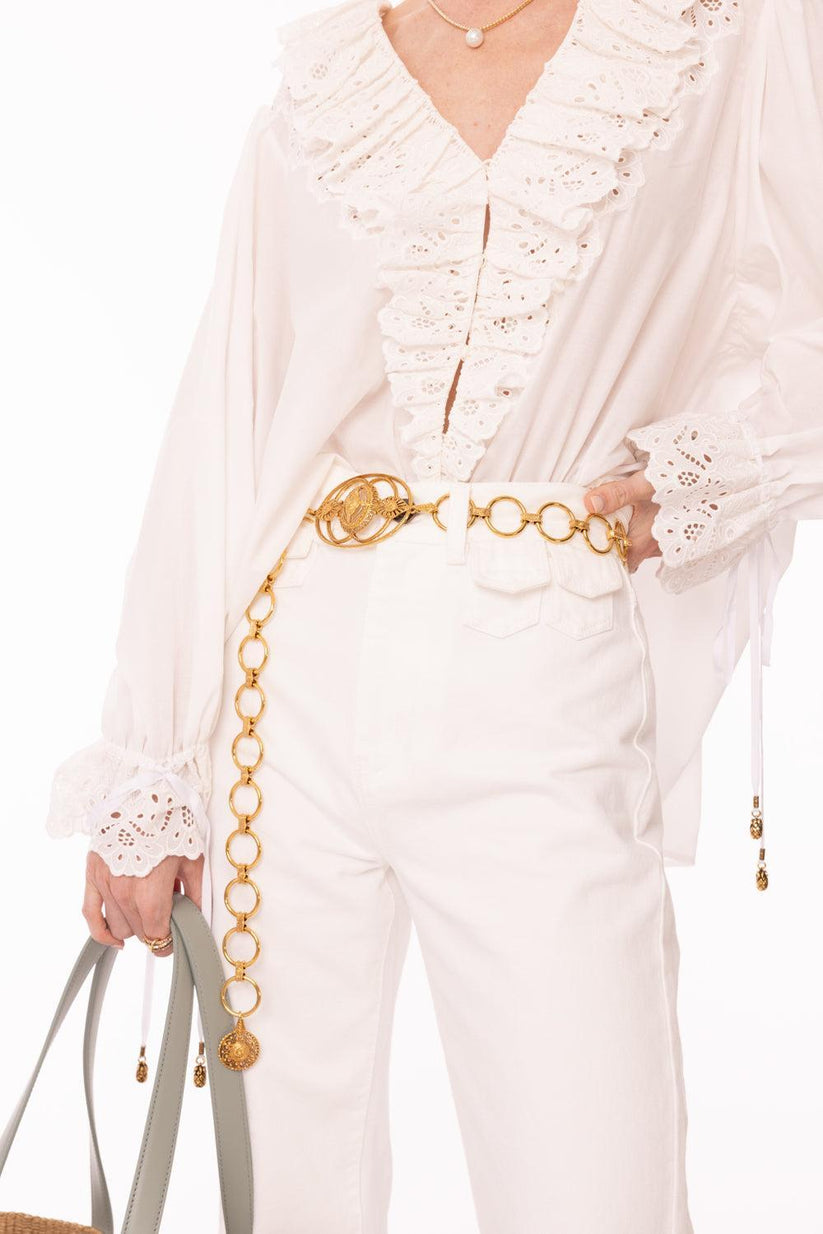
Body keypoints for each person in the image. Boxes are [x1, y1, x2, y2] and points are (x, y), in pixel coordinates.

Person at [44, 0, 822, 1229]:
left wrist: (710, 471)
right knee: (285, 1190)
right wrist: (151, 766)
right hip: (290, 675)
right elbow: (226, 409)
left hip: (544, 657)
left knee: (591, 1188)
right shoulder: (329, 71)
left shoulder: (718, 30)